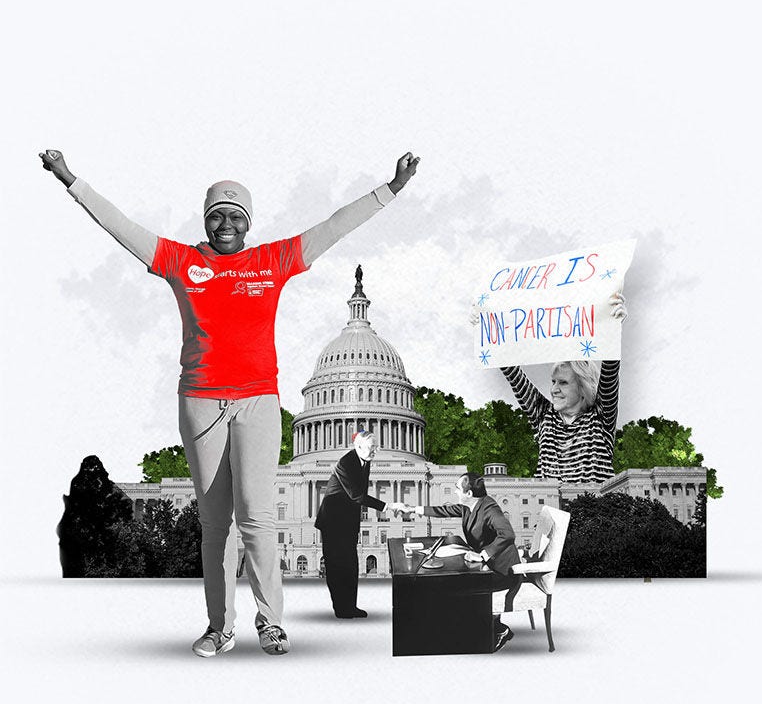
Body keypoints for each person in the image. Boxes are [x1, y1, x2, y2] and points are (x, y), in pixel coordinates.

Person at [40, 148, 420, 657]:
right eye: (216, 215)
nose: (225, 224)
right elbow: (123, 228)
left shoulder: (272, 260)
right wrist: (71, 179)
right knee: (215, 521)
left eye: (235, 216)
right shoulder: (182, 261)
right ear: (206, 221)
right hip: (200, 400)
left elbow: (332, 227)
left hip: (258, 402)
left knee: (258, 517)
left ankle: (271, 622)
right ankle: (220, 626)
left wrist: (390, 188)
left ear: (247, 224)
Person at [499, 293, 628, 483]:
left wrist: (613, 329)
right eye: (553, 382)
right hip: (550, 509)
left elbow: (609, 374)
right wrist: (485, 327)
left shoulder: (601, 417)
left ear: (583, 388)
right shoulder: (544, 416)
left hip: (592, 508)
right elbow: (514, 376)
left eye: (563, 382)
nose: (554, 390)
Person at [406, 472, 521, 652]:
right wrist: (412, 509)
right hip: (487, 568)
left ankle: (499, 630)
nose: (454, 492)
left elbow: (508, 534)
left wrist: (482, 555)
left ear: (469, 494)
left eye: (458, 489)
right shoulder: (469, 506)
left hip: (503, 571)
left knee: (460, 586)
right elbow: (443, 510)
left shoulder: (490, 509)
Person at [315, 431, 403, 618]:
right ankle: (341, 609)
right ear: (359, 447)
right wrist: (387, 506)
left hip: (347, 521)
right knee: (336, 566)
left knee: (351, 565)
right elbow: (357, 495)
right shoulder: (346, 463)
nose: (375, 451)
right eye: (372, 447)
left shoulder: (365, 460)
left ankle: (351, 606)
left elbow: (358, 495)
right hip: (333, 521)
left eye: (376, 447)